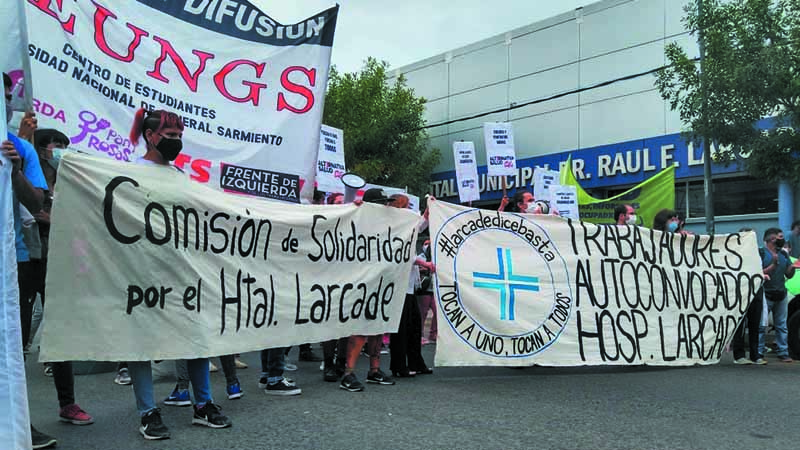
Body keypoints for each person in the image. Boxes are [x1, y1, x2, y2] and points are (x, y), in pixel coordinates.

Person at [126, 108, 231, 440]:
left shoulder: (179, 176)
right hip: (142, 271)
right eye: (170, 136)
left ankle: (203, 405)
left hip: (181, 273)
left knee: (195, 337)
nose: (176, 141)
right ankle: (148, 412)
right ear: (150, 136)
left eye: (179, 135)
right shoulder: (129, 171)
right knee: (141, 344)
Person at [5, 72, 60, 450]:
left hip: (17, 260)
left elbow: (37, 203)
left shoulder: (18, 150)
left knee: (14, 342)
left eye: (8, 94)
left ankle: (18, 420)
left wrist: (15, 171)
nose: (7, 99)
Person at [339, 188, 399, 392]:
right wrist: (350, 206)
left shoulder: (388, 224)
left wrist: (427, 214)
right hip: (362, 284)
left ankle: (374, 370)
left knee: (377, 328)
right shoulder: (359, 219)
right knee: (360, 330)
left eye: (387, 203)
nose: (386, 206)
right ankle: (348, 373)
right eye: (382, 203)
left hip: (382, 284)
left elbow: (413, 227)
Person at [389, 194, 435, 378]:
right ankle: (399, 365)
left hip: (409, 285)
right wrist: (424, 264)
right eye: (407, 206)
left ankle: (416, 361)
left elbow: (420, 225)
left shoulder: (406, 227)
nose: (410, 209)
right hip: (398, 285)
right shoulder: (392, 229)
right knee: (401, 328)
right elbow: (401, 254)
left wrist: (429, 208)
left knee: (415, 325)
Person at [757, 228, 799, 363]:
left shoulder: (784, 254)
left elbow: (788, 274)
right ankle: (758, 351)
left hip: (781, 293)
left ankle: (783, 352)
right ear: (772, 239)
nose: (783, 240)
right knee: (761, 325)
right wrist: (774, 265)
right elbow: (758, 273)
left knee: (782, 325)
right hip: (766, 294)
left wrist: (792, 268)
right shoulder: (761, 254)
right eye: (780, 237)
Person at [731, 227, 765, 365]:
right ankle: (739, 355)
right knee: (740, 324)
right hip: (741, 291)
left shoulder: (758, 253)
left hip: (756, 291)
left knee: (754, 324)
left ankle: (755, 354)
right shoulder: (734, 253)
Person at [418, 239, 437, 345]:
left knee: (437, 312)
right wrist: (423, 268)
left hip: (433, 289)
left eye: (430, 244)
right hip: (424, 290)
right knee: (422, 313)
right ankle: (419, 335)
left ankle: (433, 334)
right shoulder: (421, 257)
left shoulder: (436, 257)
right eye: (426, 244)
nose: (428, 246)